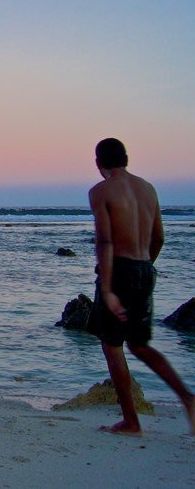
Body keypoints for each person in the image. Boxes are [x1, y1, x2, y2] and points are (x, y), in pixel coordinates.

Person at [85, 138, 195, 435]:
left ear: (99, 164)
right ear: (127, 158)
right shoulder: (148, 189)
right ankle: (188, 399)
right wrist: (144, 268)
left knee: (112, 345)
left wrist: (108, 290)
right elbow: (158, 237)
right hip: (145, 268)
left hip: (119, 270)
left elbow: (105, 241)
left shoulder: (101, 191)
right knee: (139, 344)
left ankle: (131, 421)